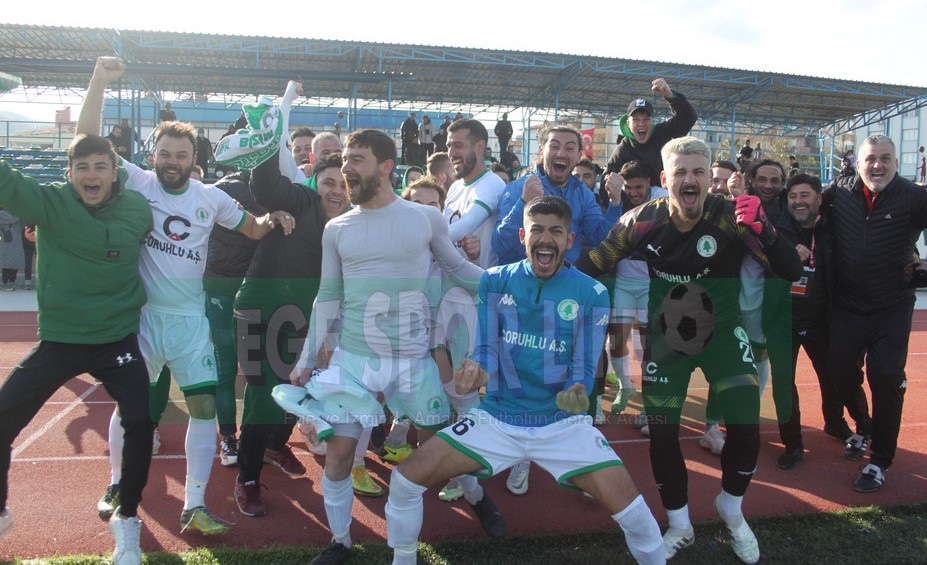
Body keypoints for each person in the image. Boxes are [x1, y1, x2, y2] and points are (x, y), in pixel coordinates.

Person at [78, 56, 295, 536]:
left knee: (202, 409)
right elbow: (88, 140)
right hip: (143, 320)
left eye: (180, 155)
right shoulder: (137, 182)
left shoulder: (210, 197)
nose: (171, 161)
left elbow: (252, 227)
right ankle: (116, 484)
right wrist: (98, 81)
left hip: (190, 323)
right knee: (131, 409)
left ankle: (194, 503)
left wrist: (273, 218)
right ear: (152, 154)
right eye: (164, 153)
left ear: (193, 158)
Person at [385, 195, 665, 565]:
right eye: (537, 230)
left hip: (562, 425)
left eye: (556, 232)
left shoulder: (592, 293)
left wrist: (578, 389)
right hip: (498, 417)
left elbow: (584, 366)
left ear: (570, 239)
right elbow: (486, 347)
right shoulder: (496, 281)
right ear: (523, 236)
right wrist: (478, 369)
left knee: (637, 517)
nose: (545, 239)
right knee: (405, 481)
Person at [580, 136, 802, 563]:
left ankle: (731, 508)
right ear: (665, 180)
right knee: (662, 435)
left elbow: (790, 269)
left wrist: (767, 230)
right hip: (668, 344)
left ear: (708, 179)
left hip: (724, 338)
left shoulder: (731, 217)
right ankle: (679, 524)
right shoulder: (639, 221)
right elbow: (592, 265)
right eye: (680, 171)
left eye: (698, 171)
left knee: (746, 428)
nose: (690, 179)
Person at [277, 129, 484, 564]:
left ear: (386, 166)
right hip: (355, 361)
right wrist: (306, 358)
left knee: (438, 449)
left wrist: (514, 282)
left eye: (356, 159)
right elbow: (327, 296)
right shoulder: (336, 228)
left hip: (414, 360)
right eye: (345, 159)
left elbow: (459, 269)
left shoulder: (424, 218)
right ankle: (340, 542)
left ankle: (477, 494)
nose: (346, 168)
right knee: (338, 456)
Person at [0, 133, 154, 564]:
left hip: (116, 339)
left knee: (141, 420)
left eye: (100, 167)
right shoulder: (50, 204)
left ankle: (127, 520)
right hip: (61, 340)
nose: (91, 175)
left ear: (115, 173)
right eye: (82, 167)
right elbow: (7, 180)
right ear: (69, 174)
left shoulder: (138, 210)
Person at [823, 134, 927, 492]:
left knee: (885, 376)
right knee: (838, 372)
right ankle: (864, 425)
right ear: (858, 163)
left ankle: (879, 460)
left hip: (892, 305)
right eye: (870, 159)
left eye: (885, 158)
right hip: (847, 304)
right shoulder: (839, 192)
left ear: (896, 163)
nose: (877, 165)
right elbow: (801, 210)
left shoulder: (914, 197)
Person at [769, 173, 872, 470]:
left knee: (835, 376)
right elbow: (761, 262)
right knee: (783, 384)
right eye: (793, 196)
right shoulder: (776, 230)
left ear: (818, 198)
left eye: (804, 195)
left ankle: (839, 423)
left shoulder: (833, 227)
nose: (798, 202)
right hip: (782, 321)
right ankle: (793, 443)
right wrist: (787, 255)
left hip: (822, 320)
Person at [493, 125, 623, 267]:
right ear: (542, 151)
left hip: (564, 277)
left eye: (569, 148)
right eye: (554, 146)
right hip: (521, 276)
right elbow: (500, 246)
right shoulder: (519, 188)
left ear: (579, 156)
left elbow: (599, 239)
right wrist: (523, 202)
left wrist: (615, 203)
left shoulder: (583, 194)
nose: (561, 153)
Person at [602, 161, 668, 417]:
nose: (633, 192)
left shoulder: (663, 200)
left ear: (649, 182)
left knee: (649, 345)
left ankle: (652, 399)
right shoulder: (619, 200)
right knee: (615, 342)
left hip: (651, 286)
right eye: (628, 187)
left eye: (638, 187)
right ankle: (625, 386)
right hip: (624, 283)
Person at [602, 78, 697, 189]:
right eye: (636, 119)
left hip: (666, 196)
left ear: (652, 121)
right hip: (636, 199)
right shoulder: (623, 149)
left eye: (646, 119)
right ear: (628, 123)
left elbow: (688, 118)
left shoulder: (662, 133)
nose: (641, 124)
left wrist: (669, 95)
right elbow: (606, 182)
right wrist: (619, 193)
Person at [0, 208, 23, 290]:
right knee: (8, 262)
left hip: (11, 239)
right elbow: (15, 219)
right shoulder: (16, 213)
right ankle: (7, 282)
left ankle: (9, 281)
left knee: (11, 262)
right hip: (9, 239)